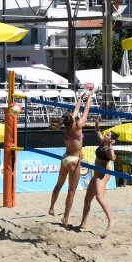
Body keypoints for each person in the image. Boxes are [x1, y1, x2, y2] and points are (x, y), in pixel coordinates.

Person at [48, 88, 94, 228]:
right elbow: (86, 111)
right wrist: (90, 97)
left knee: (58, 185)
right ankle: (65, 218)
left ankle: (51, 207)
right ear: (72, 120)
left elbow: (75, 111)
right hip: (74, 160)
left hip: (65, 158)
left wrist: (80, 99)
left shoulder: (66, 127)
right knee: (71, 192)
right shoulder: (78, 126)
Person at [79, 117, 117, 236]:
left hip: (103, 174)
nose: (105, 135)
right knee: (87, 199)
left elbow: (113, 157)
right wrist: (96, 122)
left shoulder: (108, 149)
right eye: (106, 134)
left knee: (99, 197)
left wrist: (111, 146)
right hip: (96, 174)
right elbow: (97, 131)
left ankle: (111, 220)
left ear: (111, 140)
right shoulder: (102, 142)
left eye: (108, 135)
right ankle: (83, 223)